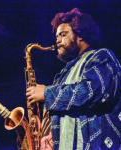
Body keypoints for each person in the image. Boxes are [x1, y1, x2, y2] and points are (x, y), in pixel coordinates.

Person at [26, 8, 121, 150]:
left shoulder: (102, 56)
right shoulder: (63, 74)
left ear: (80, 34)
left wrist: (46, 93)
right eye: (56, 36)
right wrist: (51, 136)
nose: (57, 40)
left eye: (62, 34)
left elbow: (91, 91)